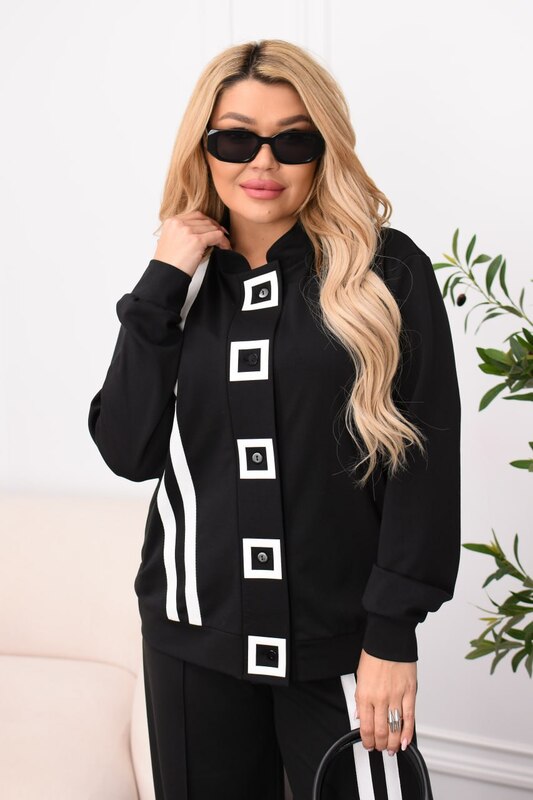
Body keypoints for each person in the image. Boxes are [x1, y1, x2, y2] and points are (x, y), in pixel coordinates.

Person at [89, 38, 461, 800]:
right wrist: (160, 281)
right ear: (203, 147)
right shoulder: (178, 284)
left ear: (323, 150)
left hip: (344, 651)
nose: (262, 162)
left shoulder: (386, 273)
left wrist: (392, 635)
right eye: (235, 139)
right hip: (191, 643)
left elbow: (422, 469)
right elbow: (128, 450)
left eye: (292, 140)